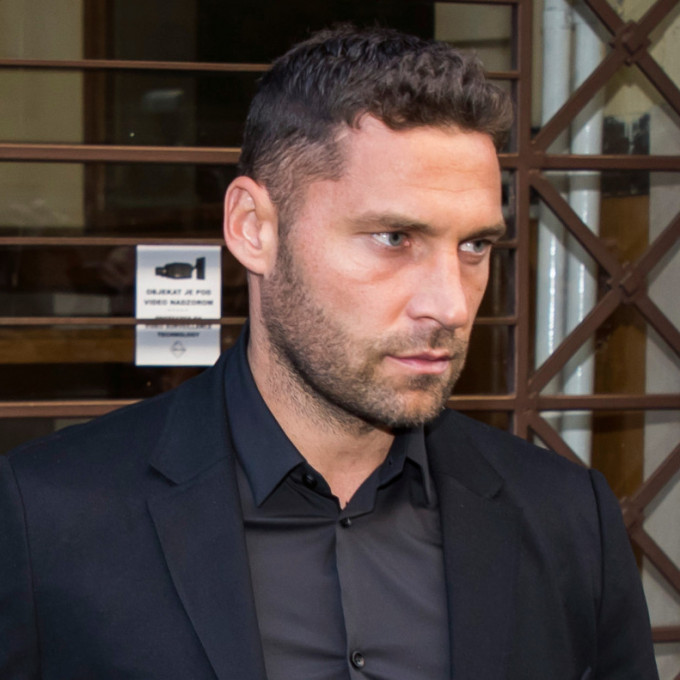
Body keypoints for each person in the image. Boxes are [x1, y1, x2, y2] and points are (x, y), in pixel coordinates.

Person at [0, 26, 657, 680]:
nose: (452, 305)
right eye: (395, 237)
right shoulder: (48, 519)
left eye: (474, 246)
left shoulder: (569, 520)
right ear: (253, 229)